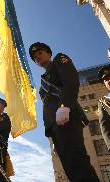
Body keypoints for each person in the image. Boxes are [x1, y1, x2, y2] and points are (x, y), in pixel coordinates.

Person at [29, 42, 100, 182]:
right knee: (69, 167)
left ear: (49, 53)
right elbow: (48, 108)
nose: (37, 57)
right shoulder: (43, 83)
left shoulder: (59, 60)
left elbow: (71, 82)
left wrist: (64, 106)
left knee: (77, 161)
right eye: (35, 57)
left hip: (67, 116)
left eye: (40, 53)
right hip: (56, 126)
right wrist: (52, 134)